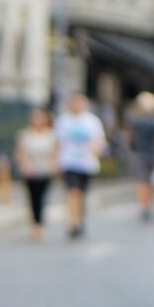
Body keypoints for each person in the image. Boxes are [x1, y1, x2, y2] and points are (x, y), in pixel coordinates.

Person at [54, 92, 105, 239]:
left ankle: (80, 220)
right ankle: (73, 223)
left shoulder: (92, 120)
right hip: (69, 162)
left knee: (81, 195)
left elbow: (99, 140)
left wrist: (96, 148)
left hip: (86, 163)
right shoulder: (63, 120)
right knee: (73, 192)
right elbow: (57, 142)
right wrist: (56, 161)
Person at [14, 107, 59, 240]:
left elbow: (55, 152)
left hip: (45, 170)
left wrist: (54, 166)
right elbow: (21, 152)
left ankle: (39, 223)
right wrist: (26, 166)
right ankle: (35, 224)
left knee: (42, 198)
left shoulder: (51, 134)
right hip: (30, 171)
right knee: (33, 198)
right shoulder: (25, 134)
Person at [127, 92, 154, 222]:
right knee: (151, 181)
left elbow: (131, 136)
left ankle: (144, 206)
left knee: (143, 181)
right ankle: (149, 205)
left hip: (141, 152)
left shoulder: (136, 119)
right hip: (153, 153)